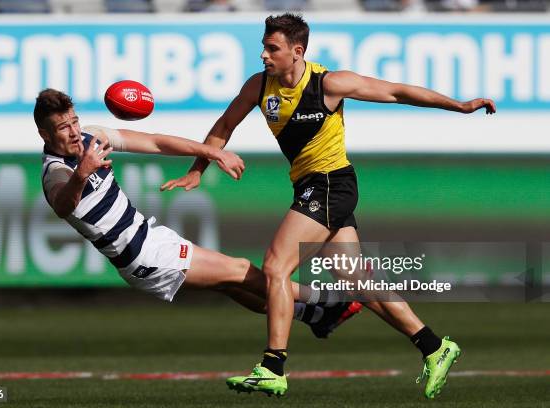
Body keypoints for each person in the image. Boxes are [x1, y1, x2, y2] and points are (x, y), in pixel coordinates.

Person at [161, 13, 496, 398]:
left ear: (297, 51)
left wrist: (460, 106)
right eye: (264, 47)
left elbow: (397, 92)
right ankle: (435, 347)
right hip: (309, 186)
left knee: (275, 266)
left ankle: (273, 364)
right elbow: (224, 125)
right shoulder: (259, 86)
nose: (264, 56)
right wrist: (198, 168)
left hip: (330, 184)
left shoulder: (329, 83)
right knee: (358, 282)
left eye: (273, 49)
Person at [33, 88, 361, 342]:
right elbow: (64, 205)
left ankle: (315, 317)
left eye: (74, 121)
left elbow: (156, 142)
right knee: (241, 270)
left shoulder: (94, 137)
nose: (74, 132)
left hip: (150, 238)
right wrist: (83, 172)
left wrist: (212, 152)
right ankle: (331, 301)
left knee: (233, 286)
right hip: (143, 256)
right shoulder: (56, 172)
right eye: (63, 128)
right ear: (46, 136)